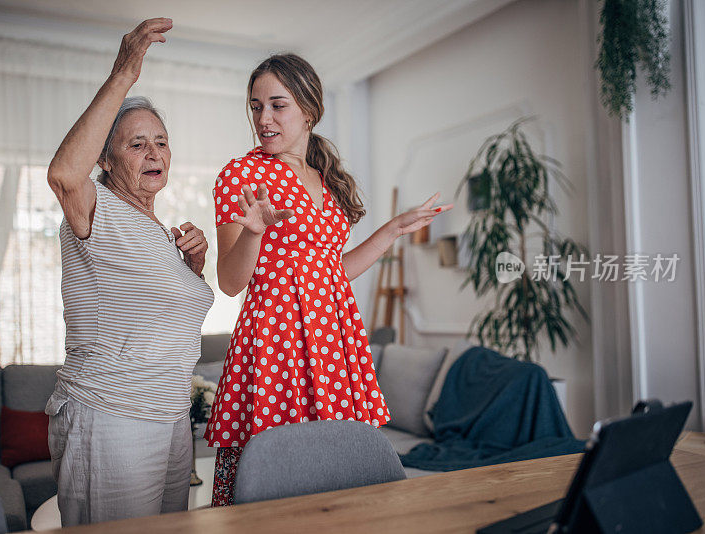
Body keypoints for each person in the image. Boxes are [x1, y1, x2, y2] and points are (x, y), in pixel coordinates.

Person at [205, 53, 452, 506]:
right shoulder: (241, 174)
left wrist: (394, 229)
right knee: (275, 475)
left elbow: (330, 273)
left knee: (338, 476)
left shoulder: (327, 180)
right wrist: (255, 232)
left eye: (277, 105)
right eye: (256, 106)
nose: (264, 118)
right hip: (275, 338)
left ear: (308, 111)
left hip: (333, 338)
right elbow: (229, 281)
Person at [44, 18, 214, 526]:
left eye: (160, 142)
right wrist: (123, 74)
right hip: (111, 416)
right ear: (106, 156)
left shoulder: (160, 232)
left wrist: (193, 269)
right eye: (137, 143)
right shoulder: (98, 210)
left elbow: (162, 312)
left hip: (169, 420)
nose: (154, 152)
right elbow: (63, 174)